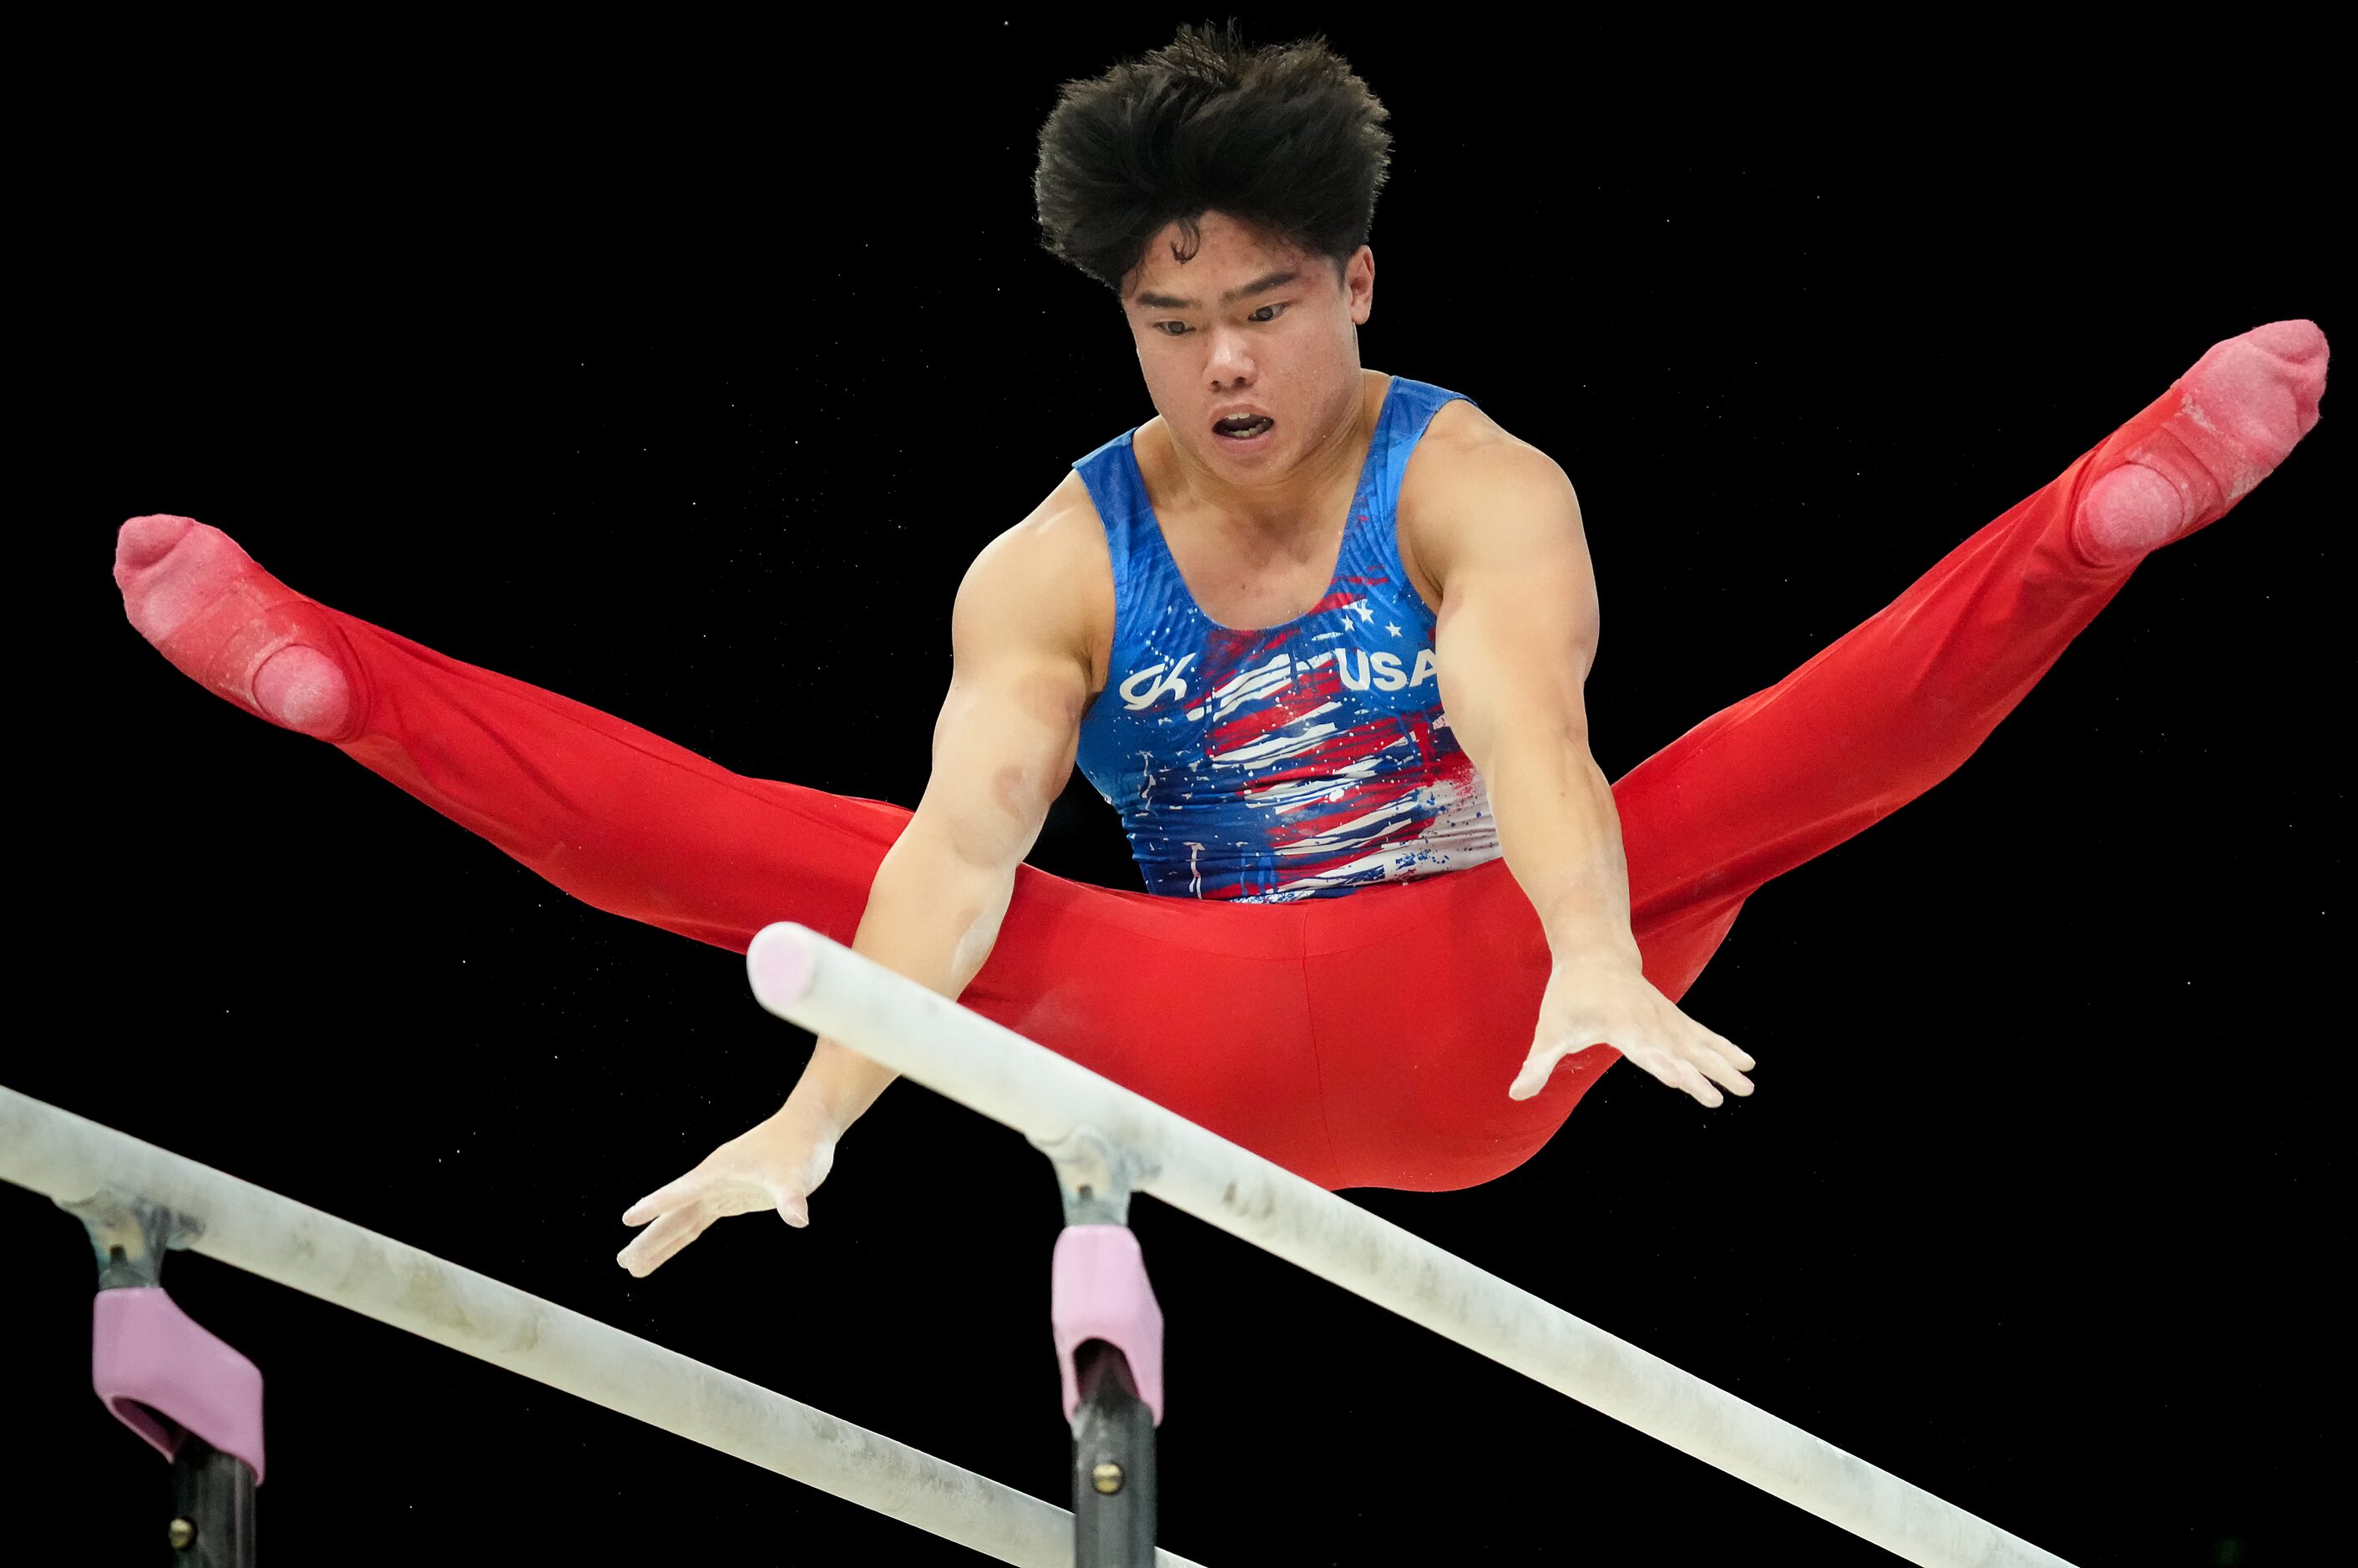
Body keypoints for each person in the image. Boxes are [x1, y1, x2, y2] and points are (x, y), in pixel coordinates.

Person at [109, 26, 2325, 1280]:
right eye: (1170, 323)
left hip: (1523, 997)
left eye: (1262, 307)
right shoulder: (1049, 561)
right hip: (1189, 1043)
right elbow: (969, 849)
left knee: (1745, 776)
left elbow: (1516, 720)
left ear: (1359, 284)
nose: (1222, 364)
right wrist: (816, 1122)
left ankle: (2097, 514)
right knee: (815, 851)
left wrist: (1578, 940)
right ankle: (343, 682)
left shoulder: (1479, 484)